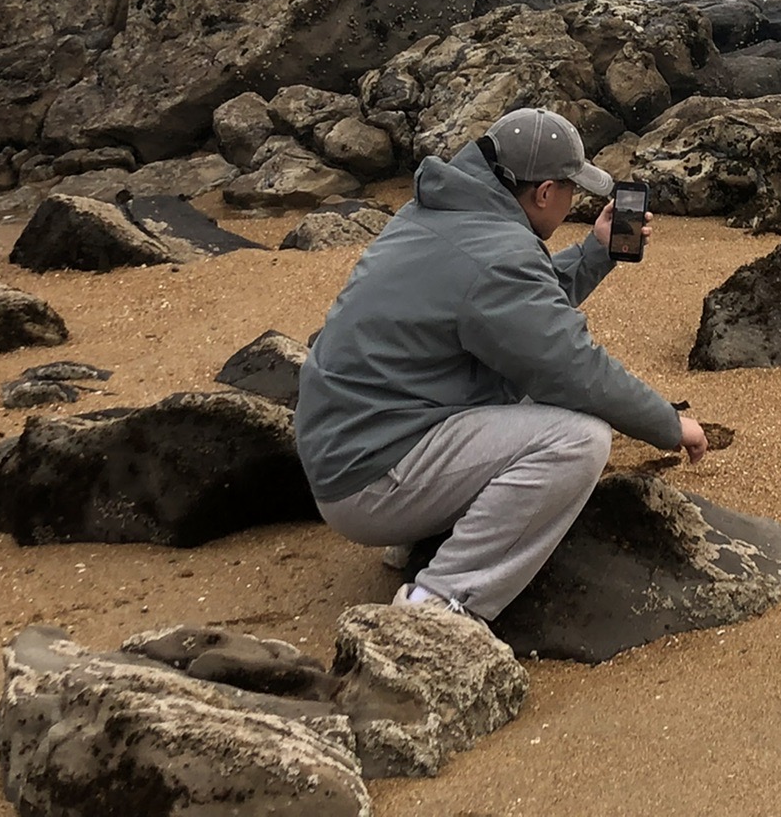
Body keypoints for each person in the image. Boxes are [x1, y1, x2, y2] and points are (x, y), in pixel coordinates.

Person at [295, 106, 707, 622]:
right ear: (544, 193)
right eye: (572, 190)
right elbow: (573, 368)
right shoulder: (498, 255)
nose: (574, 201)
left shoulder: (440, 213)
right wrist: (670, 426)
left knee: (526, 389)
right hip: (369, 483)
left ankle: (422, 533)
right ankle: (437, 606)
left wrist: (595, 252)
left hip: (345, 447)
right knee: (578, 440)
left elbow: (516, 312)